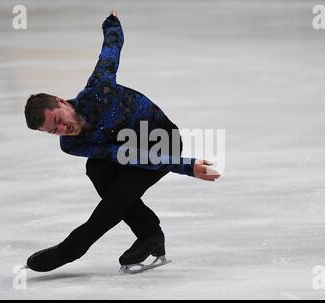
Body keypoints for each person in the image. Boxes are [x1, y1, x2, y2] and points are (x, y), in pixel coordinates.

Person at [23, 9, 220, 273]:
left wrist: (111, 23)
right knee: (98, 170)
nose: (62, 129)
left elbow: (111, 51)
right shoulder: (72, 144)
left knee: (122, 191)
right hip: (128, 152)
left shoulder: (98, 91)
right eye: (53, 131)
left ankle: (73, 248)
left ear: (61, 101)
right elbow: (120, 155)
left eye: (58, 119)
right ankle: (150, 234)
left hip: (162, 139)